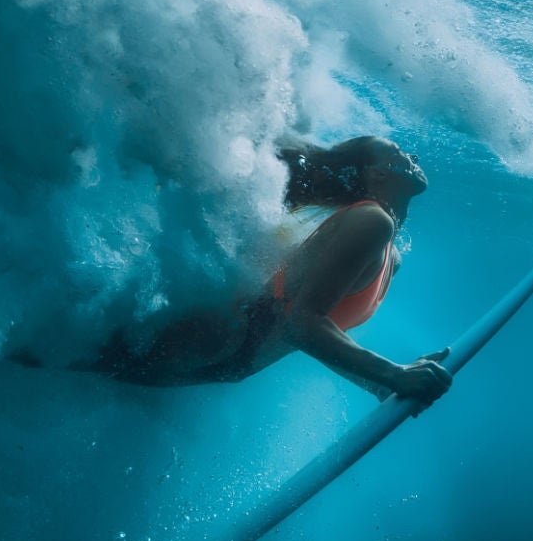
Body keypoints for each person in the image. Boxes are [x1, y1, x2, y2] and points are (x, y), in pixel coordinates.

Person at [79, 136, 453, 403]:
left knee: (52, 354)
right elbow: (302, 325)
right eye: (397, 151)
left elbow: (317, 330)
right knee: (45, 353)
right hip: (209, 344)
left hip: (222, 355)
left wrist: (380, 383)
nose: (411, 154)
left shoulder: (391, 254)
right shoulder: (370, 221)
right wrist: (393, 375)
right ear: (377, 175)